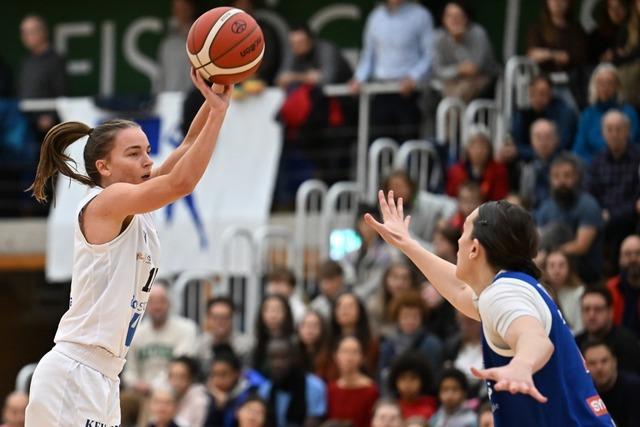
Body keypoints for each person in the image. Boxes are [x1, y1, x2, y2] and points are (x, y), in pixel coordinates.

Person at [24, 69, 232, 426]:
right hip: (76, 370)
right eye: (134, 153)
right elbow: (182, 182)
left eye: (148, 151)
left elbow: (185, 146)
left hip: (105, 374)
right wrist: (219, 113)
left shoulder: (136, 205)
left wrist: (215, 98)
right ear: (103, 167)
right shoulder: (107, 200)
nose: (148, 161)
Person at [364, 190, 615, 425]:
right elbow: (461, 290)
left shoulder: (502, 294)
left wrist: (522, 364)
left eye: (463, 231)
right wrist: (407, 244)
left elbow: (534, 338)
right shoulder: (513, 287)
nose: (458, 240)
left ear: (474, 248)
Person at [350, 0, 434, 141]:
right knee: (379, 142)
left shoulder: (421, 15)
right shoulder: (375, 17)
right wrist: (358, 78)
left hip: (409, 92)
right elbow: (369, 55)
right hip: (381, 90)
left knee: (408, 143)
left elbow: (430, 54)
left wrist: (413, 77)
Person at [536, 153, 604, 284]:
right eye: (556, 176)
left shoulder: (588, 204)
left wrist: (549, 253)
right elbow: (538, 242)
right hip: (551, 270)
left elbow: (581, 246)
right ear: (550, 179)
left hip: (585, 272)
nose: (561, 181)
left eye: (567, 176)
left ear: (576, 178)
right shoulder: (545, 207)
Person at [588, 110, 640, 271]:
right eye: (609, 129)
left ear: (627, 131)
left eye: (619, 129)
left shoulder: (638, 157)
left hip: (631, 217)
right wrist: (600, 212)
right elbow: (590, 193)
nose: (614, 134)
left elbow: (637, 199)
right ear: (603, 133)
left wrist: (613, 214)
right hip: (604, 217)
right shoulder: (597, 161)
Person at [123, 284, 199, 394]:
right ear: (145, 305)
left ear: (170, 303)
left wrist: (153, 387)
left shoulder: (187, 329)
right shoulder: (135, 332)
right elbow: (130, 370)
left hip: (174, 391)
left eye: (162, 301)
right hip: (141, 393)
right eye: (152, 302)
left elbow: (181, 370)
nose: (157, 306)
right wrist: (135, 383)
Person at [431, 2, 498, 102]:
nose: (454, 20)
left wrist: (458, 41)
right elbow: (438, 70)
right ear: (444, 20)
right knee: (435, 90)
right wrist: (458, 69)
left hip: (483, 79)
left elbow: (474, 69)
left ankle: (455, 115)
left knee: (463, 88)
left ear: (466, 18)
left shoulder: (478, 33)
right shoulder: (438, 37)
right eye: (450, 16)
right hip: (452, 80)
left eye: (458, 16)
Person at [573, 63, 640, 164]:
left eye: (609, 83)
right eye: (601, 83)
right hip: (593, 168)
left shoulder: (629, 112)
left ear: (617, 86)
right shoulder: (587, 115)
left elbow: (634, 143)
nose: (605, 87)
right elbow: (579, 150)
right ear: (594, 86)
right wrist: (596, 167)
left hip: (626, 165)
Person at [18, 15, 68, 142]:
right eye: (24, 32)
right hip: (26, 123)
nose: (26, 36)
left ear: (43, 33)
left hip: (47, 126)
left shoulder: (55, 60)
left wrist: (51, 116)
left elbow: (62, 90)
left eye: (31, 31)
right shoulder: (27, 61)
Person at [258, 338, 327, 427]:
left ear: (294, 358)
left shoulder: (314, 386)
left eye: (283, 357)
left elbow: (313, 422)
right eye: (273, 358)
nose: (277, 364)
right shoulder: (265, 390)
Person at [377, 291, 443, 381]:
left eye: (415, 316)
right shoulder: (389, 344)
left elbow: (434, 375)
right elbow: (382, 374)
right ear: (397, 318)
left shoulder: (432, 344)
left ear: (422, 317)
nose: (410, 321)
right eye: (405, 316)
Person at [507, 76, 576, 162]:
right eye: (533, 93)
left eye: (542, 93)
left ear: (551, 92)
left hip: (557, 161)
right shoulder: (523, 115)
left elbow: (560, 147)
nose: (537, 97)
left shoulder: (565, 113)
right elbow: (515, 143)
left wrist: (521, 152)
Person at [575, 288, 640, 374]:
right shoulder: (576, 343)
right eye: (586, 309)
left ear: (610, 312)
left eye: (598, 309)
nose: (591, 315)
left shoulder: (628, 343)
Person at [582, 341, 640, 427]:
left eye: (604, 361)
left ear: (614, 361)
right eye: (592, 363)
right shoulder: (582, 392)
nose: (599, 368)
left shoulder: (634, 387)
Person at [204, 346, 266, 427]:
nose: (218, 380)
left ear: (236, 374)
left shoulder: (251, 392)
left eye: (223, 374)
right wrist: (218, 408)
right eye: (214, 375)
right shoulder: (211, 394)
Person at [326, 335, 379, 427]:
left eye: (355, 352)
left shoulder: (371, 390)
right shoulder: (331, 388)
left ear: (361, 357)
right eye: (345, 352)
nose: (349, 357)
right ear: (336, 356)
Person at [445, 125, 509, 201]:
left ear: (489, 148)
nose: (478, 150)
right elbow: (450, 199)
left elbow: (500, 200)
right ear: (467, 149)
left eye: (482, 145)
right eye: (474, 145)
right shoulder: (455, 171)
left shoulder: (499, 171)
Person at [195, 296, 253, 371]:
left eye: (225, 317)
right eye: (215, 317)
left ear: (232, 318)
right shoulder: (199, 345)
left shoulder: (246, 345)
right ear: (208, 319)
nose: (220, 322)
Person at [367, 262, 420, 336]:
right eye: (395, 277)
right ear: (385, 280)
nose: (399, 283)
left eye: (405, 278)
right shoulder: (374, 305)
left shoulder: (419, 304)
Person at [156, 0, 198, 93]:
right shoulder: (167, 44)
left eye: (183, 8)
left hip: (194, 99)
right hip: (169, 99)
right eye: (177, 9)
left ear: (191, 9)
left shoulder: (201, 38)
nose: (180, 13)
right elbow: (161, 77)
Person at [518, 119, 561, 210]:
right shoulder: (527, 168)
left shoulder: (566, 165)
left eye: (548, 137)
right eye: (538, 137)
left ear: (556, 139)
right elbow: (525, 200)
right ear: (532, 141)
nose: (543, 142)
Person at [542, 249, 584, 335]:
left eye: (561, 265)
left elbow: (580, 328)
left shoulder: (579, 292)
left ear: (569, 268)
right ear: (545, 270)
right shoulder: (541, 292)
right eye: (552, 266)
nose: (557, 271)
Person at [251, 294, 295, 375]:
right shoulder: (255, 344)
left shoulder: (294, 342)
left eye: (277, 310)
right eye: (268, 310)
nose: (273, 315)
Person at [606, 235, 640, 337]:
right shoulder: (609, 289)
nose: (633, 259)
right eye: (627, 254)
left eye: (638, 253)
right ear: (620, 259)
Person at [387, 352, 437, 421]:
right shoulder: (391, 408)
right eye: (402, 378)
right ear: (395, 381)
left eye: (413, 378)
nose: (407, 384)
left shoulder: (430, 409)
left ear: (423, 380)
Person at [168, 356, 208, 427]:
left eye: (182, 376)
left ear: (192, 377)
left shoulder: (199, 401)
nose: (176, 382)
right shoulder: (168, 394)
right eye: (173, 376)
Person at [296, 310, 332, 380]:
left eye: (315, 326)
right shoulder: (292, 355)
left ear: (322, 329)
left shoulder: (329, 357)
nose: (310, 330)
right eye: (305, 325)